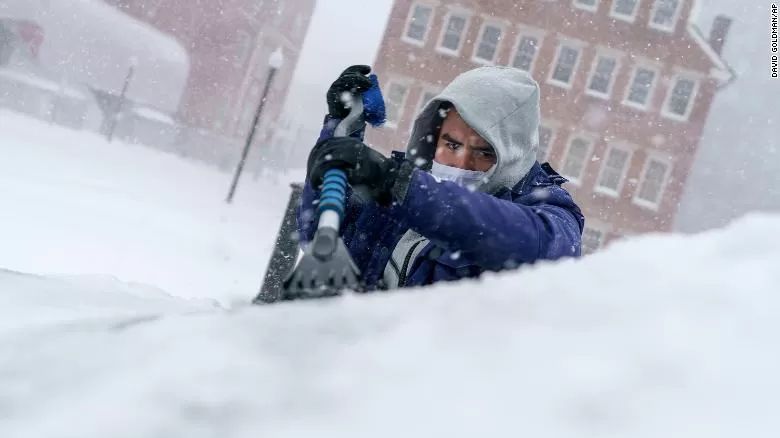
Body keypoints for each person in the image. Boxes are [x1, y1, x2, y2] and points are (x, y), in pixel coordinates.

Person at [297, 64, 585, 291]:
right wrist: (342, 129)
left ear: (512, 155)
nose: (462, 163)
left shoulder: (550, 215)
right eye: (452, 144)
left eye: (485, 152)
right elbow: (321, 239)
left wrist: (402, 187)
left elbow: (538, 248)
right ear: (434, 137)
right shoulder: (402, 184)